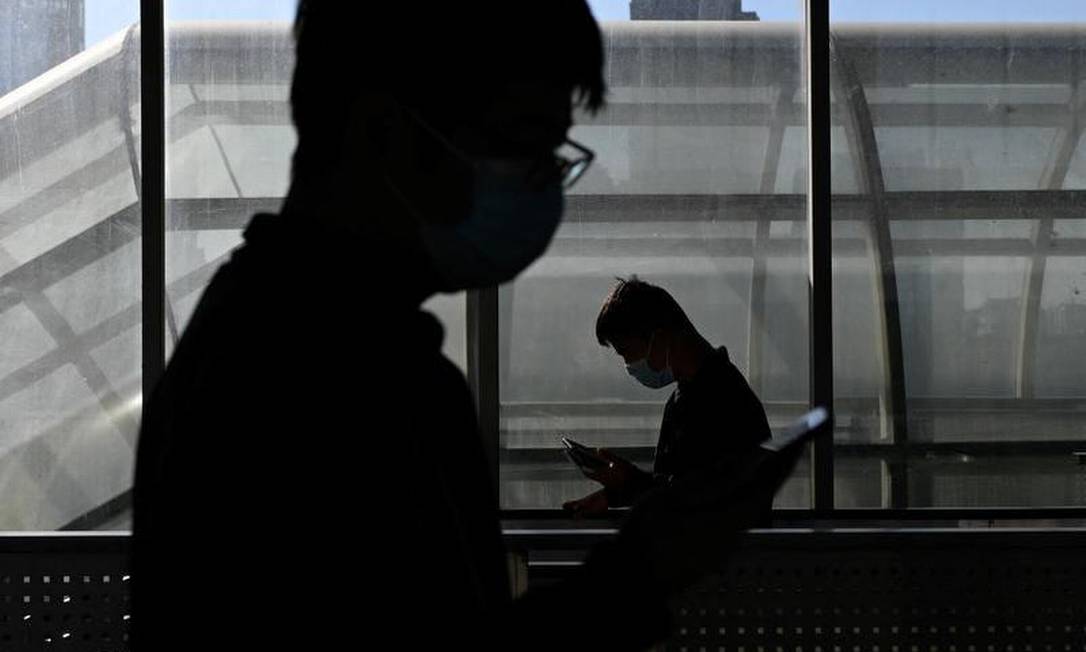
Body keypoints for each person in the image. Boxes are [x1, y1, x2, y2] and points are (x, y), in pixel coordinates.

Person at [131, 3, 797, 650]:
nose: (544, 189)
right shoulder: (346, 382)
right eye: (525, 146)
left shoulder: (256, 338)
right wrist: (637, 580)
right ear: (389, 130)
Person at [564, 277, 772, 520]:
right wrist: (616, 495)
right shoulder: (685, 399)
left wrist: (630, 482)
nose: (629, 365)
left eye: (627, 352)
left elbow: (704, 502)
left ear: (659, 338)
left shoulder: (727, 403)